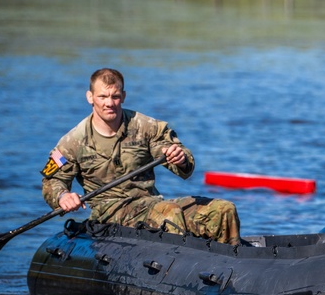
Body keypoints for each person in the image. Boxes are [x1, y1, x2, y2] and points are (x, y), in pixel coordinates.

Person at [41, 67, 241, 245]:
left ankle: (231, 264)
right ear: (90, 97)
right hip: (109, 212)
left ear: (123, 96)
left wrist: (179, 158)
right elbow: (51, 180)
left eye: (115, 96)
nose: (109, 103)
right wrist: (63, 196)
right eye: (103, 97)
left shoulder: (146, 127)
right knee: (169, 213)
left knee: (223, 210)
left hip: (150, 202)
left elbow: (181, 161)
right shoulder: (71, 142)